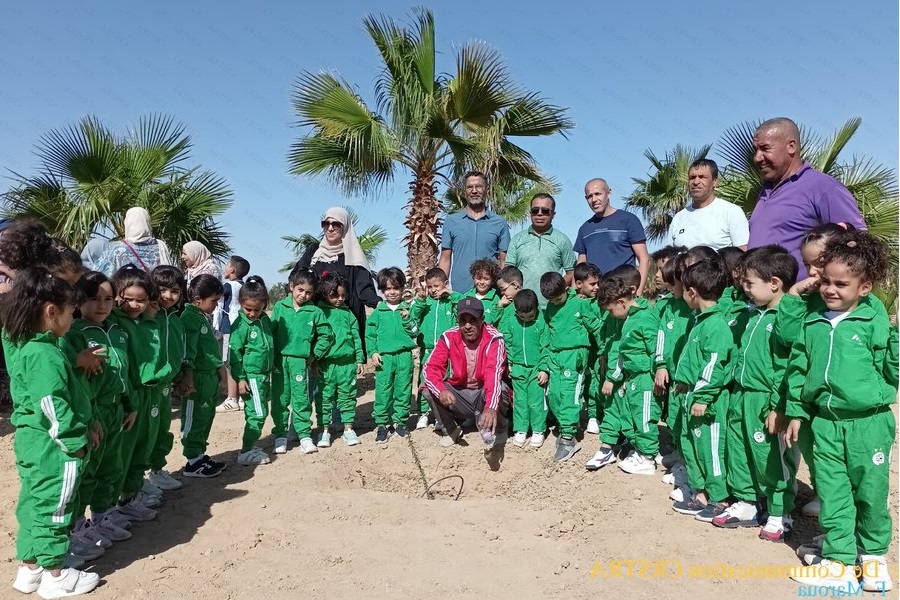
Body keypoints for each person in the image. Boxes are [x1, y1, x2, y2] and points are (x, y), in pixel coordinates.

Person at [785, 231, 896, 593]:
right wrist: (796, 411)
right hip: (825, 425)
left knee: (870, 491)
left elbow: (892, 369)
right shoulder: (813, 321)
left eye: (841, 284)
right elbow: (799, 367)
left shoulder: (873, 319)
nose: (830, 289)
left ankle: (873, 559)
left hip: (869, 424)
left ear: (864, 287)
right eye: (826, 281)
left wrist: (896, 336)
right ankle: (840, 562)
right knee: (832, 493)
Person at [4, 267, 101, 598]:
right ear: (50, 312)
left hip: (32, 441)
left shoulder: (26, 343)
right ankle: (56, 575)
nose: (73, 320)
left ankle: (30, 570)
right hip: (54, 447)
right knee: (55, 508)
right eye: (71, 313)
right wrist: (75, 443)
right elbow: (52, 404)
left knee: (34, 503)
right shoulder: (45, 353)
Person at [711, 246, 797, 539]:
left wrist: (778, 406)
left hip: (765, 400)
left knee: (771, 457)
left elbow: (786, 369)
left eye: (749, 283)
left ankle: (779, 511)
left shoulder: (785, 320)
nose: (744, 288)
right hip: (741, 395)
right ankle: (746, 500)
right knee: (739, 450)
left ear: (774, 283)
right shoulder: (751, 314)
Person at [63, 272, 133, 549]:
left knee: (111, 467)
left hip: (117, 410)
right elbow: (77, 382)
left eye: (107, 299)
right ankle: (78, 526)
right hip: (95, 412)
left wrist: (131, 405)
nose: (102, 306)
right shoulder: (75, 335)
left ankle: (102, 517)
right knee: (88, 472)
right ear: (78, 302)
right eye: (93, 299)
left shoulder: (117, 332)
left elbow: (126, 374)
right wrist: (90, 417)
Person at [747, 117, 866, 278]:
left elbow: (858, 243)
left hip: (803, 300)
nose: (757, 157)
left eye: (765, 148)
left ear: (791, 146)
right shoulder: (766, 190)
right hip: (761, 301)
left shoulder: (823, 187)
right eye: (756, 150)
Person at [670, 260, 734, 522]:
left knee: (711, 449)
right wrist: (684, 383)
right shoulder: (701, 322)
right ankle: (701, 493)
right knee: (692, 445)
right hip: (691, 397)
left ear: (692, 292)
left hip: (707, 403)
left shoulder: (716, 325)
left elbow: (715, 363)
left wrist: (704, 396)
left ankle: (720, 498)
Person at [587, 272, 661, 476]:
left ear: (621, 302)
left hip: (645, 377)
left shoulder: (645, 318)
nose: (611, 316)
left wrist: (657, 373)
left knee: (645, 417)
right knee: (635, 415)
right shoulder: (629, 319)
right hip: (632, 377)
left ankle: (648, 458)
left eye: (611, 311)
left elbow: (656, 349)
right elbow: (625, 352)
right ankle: (640, 451)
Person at [107, 266, 163, 520]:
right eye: (127, 299)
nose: (134, 305)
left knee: (143, 446)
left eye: (141, 300)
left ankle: (131, 494)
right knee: (122, 451)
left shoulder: (150, 321)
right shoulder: (114, 322)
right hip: (128, 394)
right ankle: (109, 506)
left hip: (149, 392)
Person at [421, 297, 511, 449]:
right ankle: (451, 430)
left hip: (483, 392)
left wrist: (490, 407)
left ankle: (501, 428)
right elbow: (431, 368)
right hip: (461, 393)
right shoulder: (449, 336)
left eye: (473, 320)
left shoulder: (494, 338)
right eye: (463, 321)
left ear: (482, 320)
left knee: (500, 389)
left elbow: (493, 375)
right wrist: (441, 391)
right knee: (428, 389)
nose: (467, 326)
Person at [295, 207, 380, 357]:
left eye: (336, 224)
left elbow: (364, 287)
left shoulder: (353, 255)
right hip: (316, 316)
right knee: (315, 360)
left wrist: (380, 304)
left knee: (342, 362)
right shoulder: (314, 251)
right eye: (326, 223)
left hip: (344, 320)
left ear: (345, 227)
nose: (330, 228)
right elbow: (297, 276)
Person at [540, 272, 604, 462]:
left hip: (575, 355)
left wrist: (603, 352)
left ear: (567, 289)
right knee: (554, 395)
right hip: (555, 355)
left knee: (570, 393)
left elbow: (597, 328)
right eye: (552, 299)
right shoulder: (550, 308)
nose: (556, 302)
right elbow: (548, 333)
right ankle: (564, 426)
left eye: (559, 297)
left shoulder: (580, 304)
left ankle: (568, 437)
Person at [270, 266, 333, 455]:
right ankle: (280, 436)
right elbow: (271, 333)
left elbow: (326, 335)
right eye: (300, 290)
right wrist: (270, 358)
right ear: (291, 286)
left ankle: (304, 435)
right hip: (279, 362)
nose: (303, 295)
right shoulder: (280, 307)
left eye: (308, 292)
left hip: (300, 362)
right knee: (280, 398)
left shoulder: (314, 312)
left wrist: (314, 354)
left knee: (301, 399)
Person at [177, 274, 226, 478]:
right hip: (196, 378)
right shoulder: (189, 318)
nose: (216, 305)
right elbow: (188, 350)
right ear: (198, 300)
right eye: (213, 301)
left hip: (208, 377)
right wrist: (187, 375)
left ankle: (200, 454)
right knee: (194, 415)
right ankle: (192, 459)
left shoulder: (201, 317)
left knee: (205, 415)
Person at [366, 267, 417, 444]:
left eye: (395, 287)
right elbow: (370, 335)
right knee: (383, 390)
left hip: (404, 356)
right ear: (382, 290)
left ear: (403, 288)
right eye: (387, 288)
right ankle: (381, 424)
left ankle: (401, 422)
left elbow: (415, 332)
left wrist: (407, 318)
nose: (392, 292)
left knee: (403, 389)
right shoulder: (378, 313)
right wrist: (373, 352)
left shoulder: (407, 309)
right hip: (385, 358)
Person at [147, 265, 187, 492]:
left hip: (165, 385)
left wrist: (181, 374)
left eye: (175, 291)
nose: (168, 296)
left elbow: (179, 351)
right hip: (147, 384)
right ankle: (135, 482)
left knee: (162, 428)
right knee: (146, 432)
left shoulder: (176, 319)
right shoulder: (148, 317)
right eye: (163, 290)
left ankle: (157, 470)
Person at [574, 178, 651, 293]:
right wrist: (576, 296)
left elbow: (644, 259)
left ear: (608, 193)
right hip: (596, 297)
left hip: (623, 295)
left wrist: (637, 295)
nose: (594, 199)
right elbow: (580, 266)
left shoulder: (628, 220)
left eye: (598, 194)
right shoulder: (585, 229)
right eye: (590, 196)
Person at [229, 277, 275, 466]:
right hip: (252, 377)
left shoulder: (264, 320)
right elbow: (234, 356)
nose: (253, 313)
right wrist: (240, 379)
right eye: (248, 309)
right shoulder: (240, 327)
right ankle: (246, 450)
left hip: (265, 375)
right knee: (257, 413)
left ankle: (251, 445)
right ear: (241, 304)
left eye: (258, 309)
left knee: (260, 411)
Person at [438, 171, 511, 292]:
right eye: (469, 187)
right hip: (460, 291)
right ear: (465, 191)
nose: (474, 191)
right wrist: (441, 286)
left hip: (491, 293)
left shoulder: (499, 222)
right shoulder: (451, 221)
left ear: (486, 190)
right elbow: (445, 258)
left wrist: (504, 289)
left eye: (479, 186)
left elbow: (504, 260)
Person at [495, 289, 549, 449]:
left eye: (530, 316)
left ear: (537, 309)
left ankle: (538, 430)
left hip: (536, 369)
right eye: (522, 316)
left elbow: (545, 346)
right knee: (519, 401)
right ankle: (521, 430)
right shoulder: (511, 321)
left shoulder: (541, 322)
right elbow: (508, 341)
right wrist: (510, 362)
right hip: (518, 368)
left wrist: (544, 368)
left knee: (536, 401)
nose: (526, 319)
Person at [409, 267, 462, 429]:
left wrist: (451, 295)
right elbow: (413, 318)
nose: (433, 290)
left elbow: (461, 306)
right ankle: (423, 413)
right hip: (428, 351)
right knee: (425, 381)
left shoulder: (450, 301)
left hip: (447, 351)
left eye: (436, 286)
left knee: (444, 383)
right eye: (430, 286)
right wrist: (420, 301)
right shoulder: (426, 303)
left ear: (445, 284)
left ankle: (441, 415)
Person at [315, 273, 364, 447]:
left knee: (348, 397)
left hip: (347, 364)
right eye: (335, 295)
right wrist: (314, 361)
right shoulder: (318, 312)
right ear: (324, 293)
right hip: (325, 365)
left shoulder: (349, 314)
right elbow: (314, 338)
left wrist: (359, 359)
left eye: (343, 296)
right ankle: (325, 431)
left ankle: (348, 429)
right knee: (324, 398)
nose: (339, 299)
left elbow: (356, 337)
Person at [504, 193, 575, 306]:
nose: (540, 214)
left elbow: (571, 273)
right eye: (535, 210)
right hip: (522, 307)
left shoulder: (562, 240)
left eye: (545, 210)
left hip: (552, 306)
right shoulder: (517, 239)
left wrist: (555, 289)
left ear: (553, 214)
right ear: (530, 213)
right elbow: (508, 271)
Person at [668, 159, 749, 250]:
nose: (696, 182)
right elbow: (669, 258)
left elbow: (743, 253)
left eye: (702, 177)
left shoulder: (731, 212)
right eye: (692, 177)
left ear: (715, 181)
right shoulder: (678, 218)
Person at [215, 255, 251, 413]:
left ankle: (231, 398)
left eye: (227, 265)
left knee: (228, 363)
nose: (225, 268)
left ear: (232, 270)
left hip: (228, 328)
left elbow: (214, 293)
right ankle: (242, 397)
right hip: (238, 327)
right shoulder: (242, 285)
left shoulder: (228, 286)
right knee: (238, 362)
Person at [95, 207, 173, 276]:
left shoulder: (116, 248)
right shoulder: (160, 245)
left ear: (127, 223)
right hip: (153, 292)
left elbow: (100, 275)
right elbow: (168, 272)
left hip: (125, 291)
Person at [464, 259, 501, 324]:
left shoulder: (496, 299)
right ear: (473, 278)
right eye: (478, 278)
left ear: (492, 280)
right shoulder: (466, 297)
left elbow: (496, 321)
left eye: (486, 279)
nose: (482, 282)